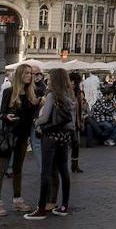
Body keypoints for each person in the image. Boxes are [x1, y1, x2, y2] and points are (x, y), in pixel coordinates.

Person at [25, 68, 75, 220]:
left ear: (55, 79)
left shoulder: (52, 94)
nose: (48, 80)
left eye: (50, 78)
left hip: (50, 136)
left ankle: (41, 209)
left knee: (46, 172)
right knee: (63, 171)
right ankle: (64, 205)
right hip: (64, 137)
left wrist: (36, 121)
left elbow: (45, 117)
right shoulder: (69, 95)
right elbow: (71, 122)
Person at [0, 63, 39, 217]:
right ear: (19, 75)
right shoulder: (9, 92)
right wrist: (6, 116)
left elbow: (31, 116)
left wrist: (37, 106)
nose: (29, 76)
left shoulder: (31, 93)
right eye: (26, 73)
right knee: (2, 169)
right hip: (9, 135)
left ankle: (17, 200)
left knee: (18, 169)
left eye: (30, 73)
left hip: (23, 137)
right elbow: (1, 114)